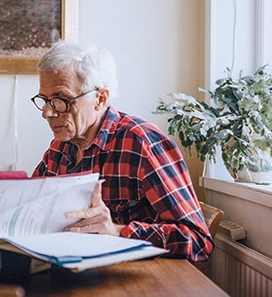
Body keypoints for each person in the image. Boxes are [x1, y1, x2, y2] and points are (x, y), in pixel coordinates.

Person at [30, 40, 213, 262]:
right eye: (45, 100)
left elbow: (197, 240)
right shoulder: (59, 147)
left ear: (100, 98)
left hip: (138, 280)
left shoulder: (142, 144)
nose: (47, 113)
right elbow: (33, 210)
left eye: (60, 100)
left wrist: (116, 231)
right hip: (74, 270)